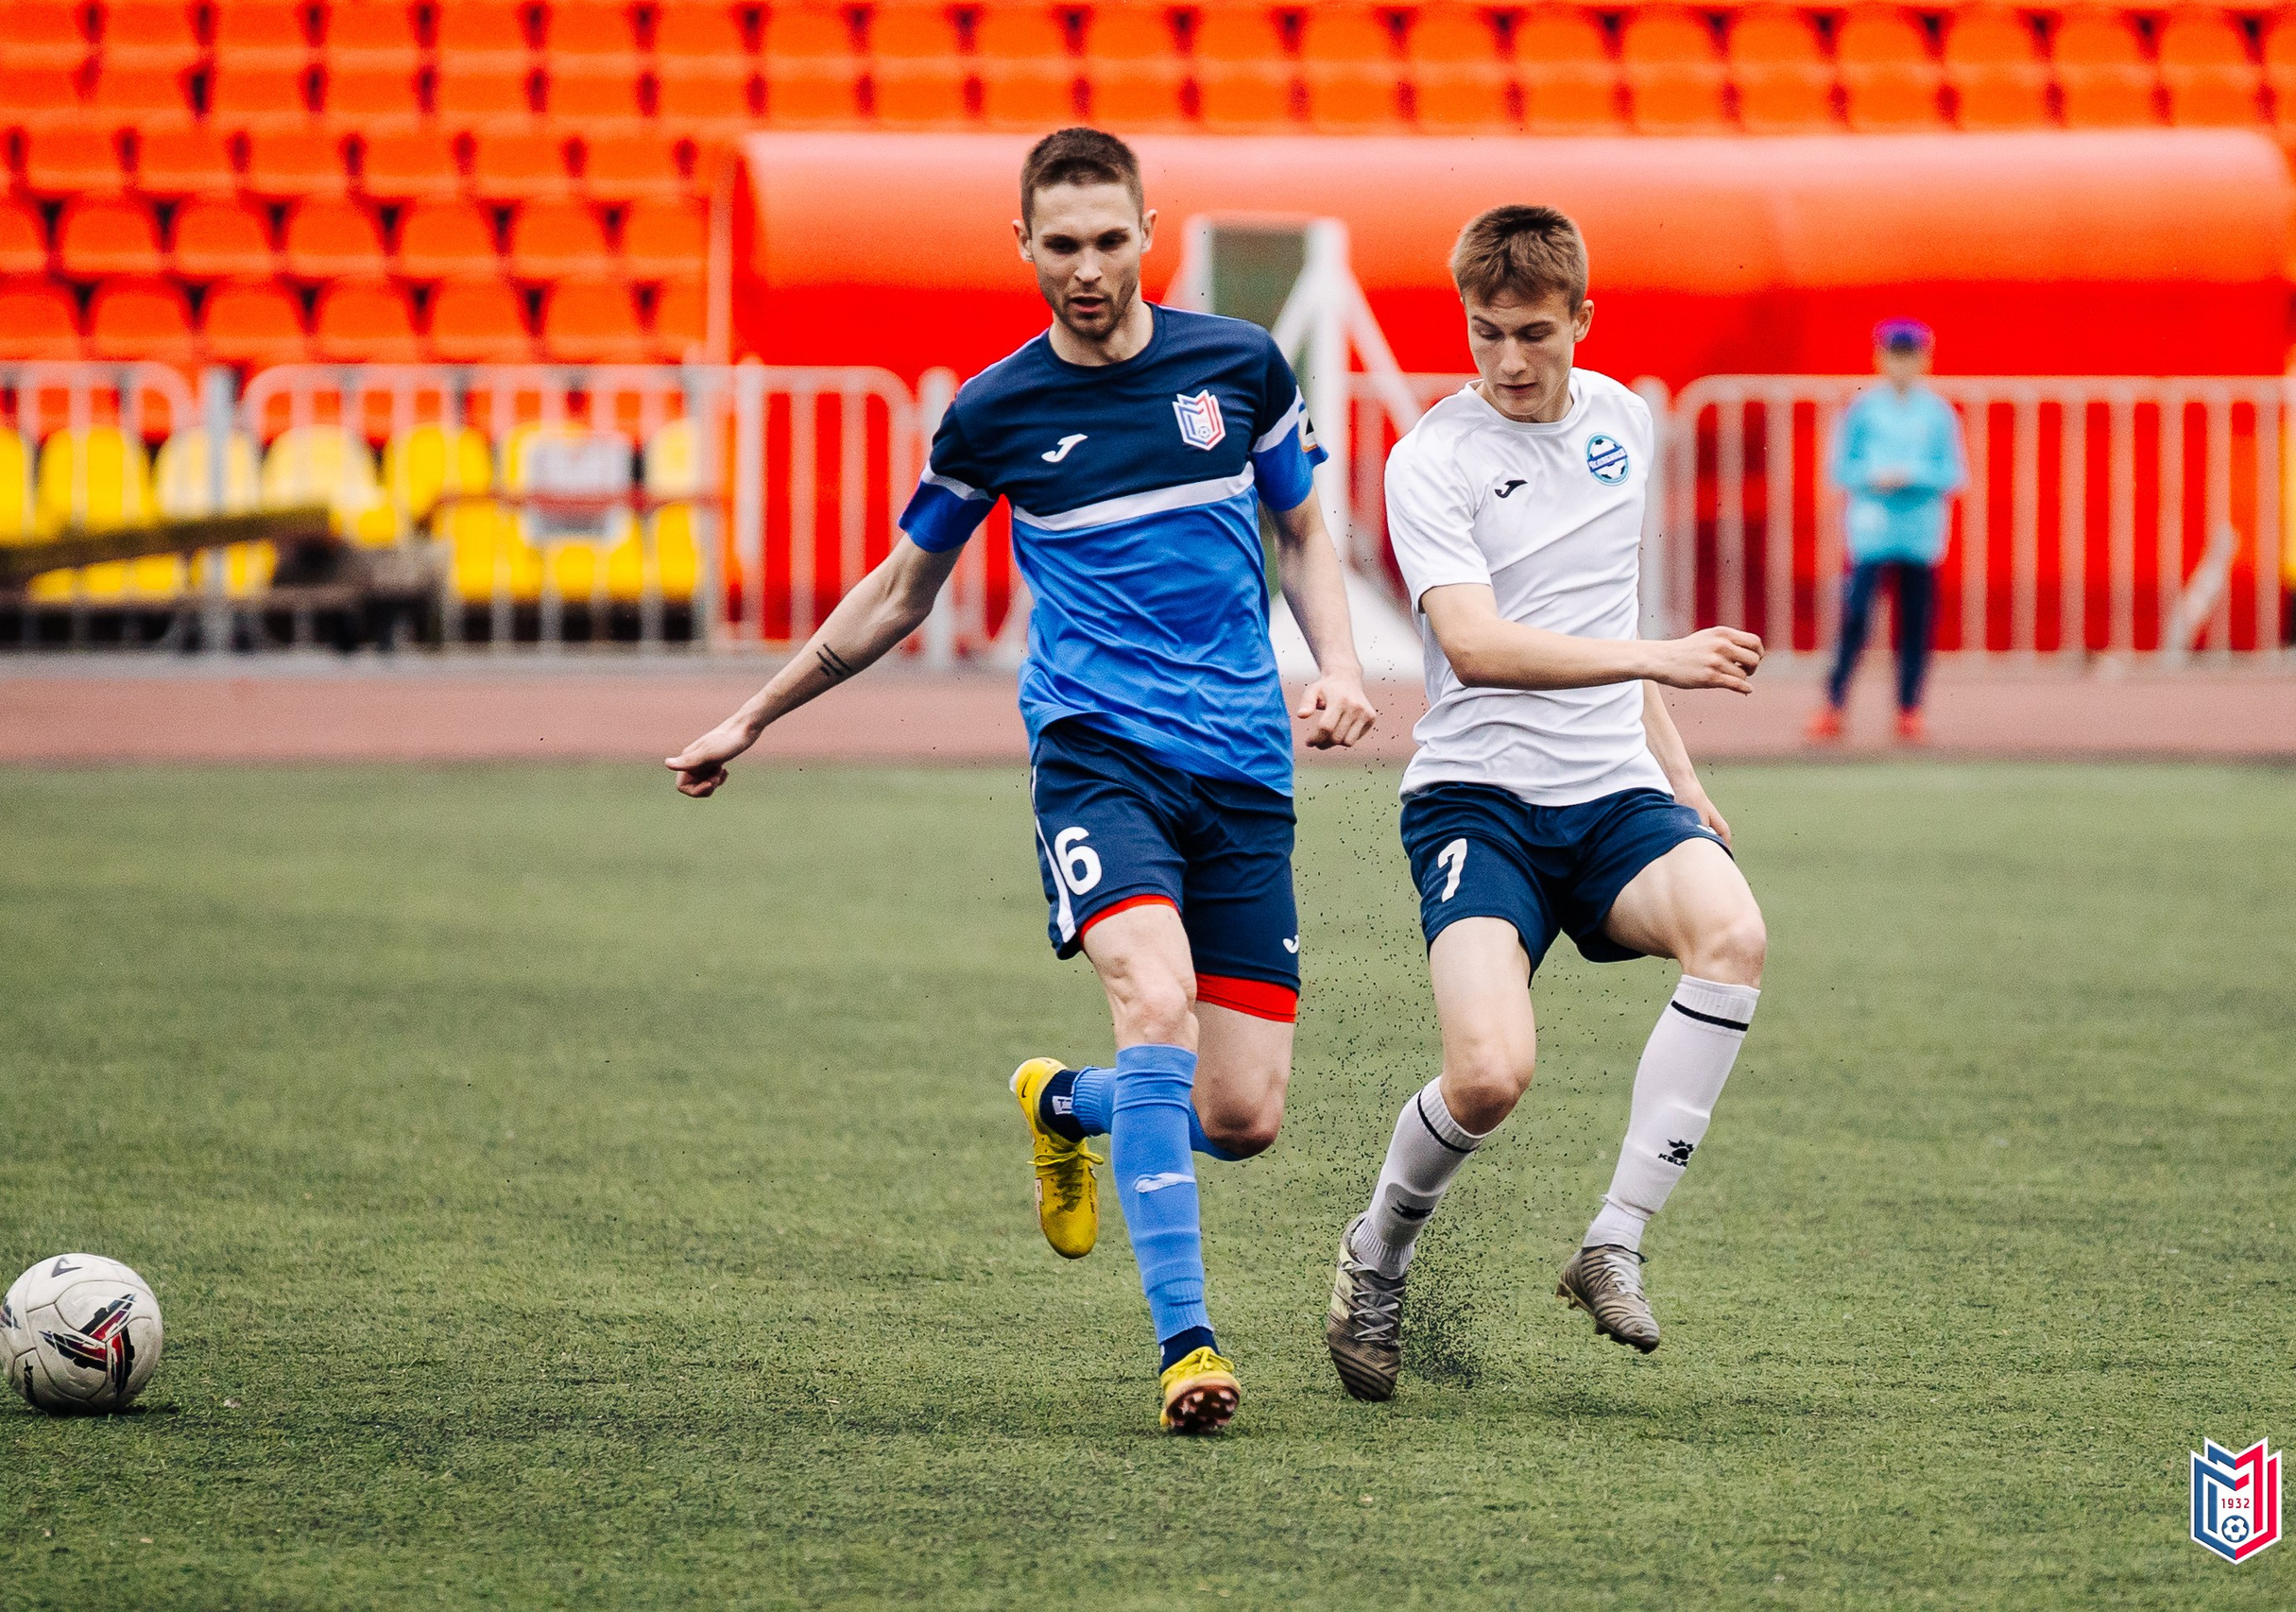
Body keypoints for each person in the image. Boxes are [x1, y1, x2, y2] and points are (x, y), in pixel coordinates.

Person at [665, 128, 1378, 1435]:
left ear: (1150, 232)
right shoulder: (994, 412)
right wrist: (751, 715)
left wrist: (1336, 663)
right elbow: (900, 590)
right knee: (1152, 995)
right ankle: (1189, 1346)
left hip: (1244, 768)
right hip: (1097, 756)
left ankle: (1064, 1101)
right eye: (1063, 245)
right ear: (1023, 247)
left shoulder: (1239, 368)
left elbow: (1300, 527)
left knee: (1241, 1112)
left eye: (1111, 240)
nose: (1089, 268)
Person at [1319, 205, 1768, 1402]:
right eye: (1484, 333)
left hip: (1614, 789)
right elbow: (1473, 643)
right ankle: (1376, 1256)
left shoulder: (1626, 419)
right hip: (1479, 805)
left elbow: (1602, 609)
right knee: (1488, 1076)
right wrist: (1660, 660)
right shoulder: (1433, 456)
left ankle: (1612, 1240)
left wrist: (1678, 774)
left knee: (1734, 933)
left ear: (1581, 319)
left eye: (1532, 332)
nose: (1509, 361)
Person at [1809, 319, 1967, 746]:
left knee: (1915, 624)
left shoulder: (1938, 413)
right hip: (1872, 534)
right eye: (1895, 355)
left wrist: (1911, 475)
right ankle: (1834, 703)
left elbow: (1954, 472)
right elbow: (1839, 467)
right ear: (1881, 358)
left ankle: (1909, 708)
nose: (1902, 364)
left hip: (1919, 535)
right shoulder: (1863, 410)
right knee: (1856, 618)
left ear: (1924, 359)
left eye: (1910, 355)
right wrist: (1874, 476)